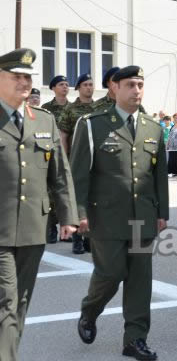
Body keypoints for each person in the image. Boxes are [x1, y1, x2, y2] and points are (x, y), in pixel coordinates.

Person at [71, 65, 168, 360]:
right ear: (115, 88)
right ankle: (90, 311)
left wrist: (162, 211)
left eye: (140, 84)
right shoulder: (93, 124)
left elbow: (159, 174)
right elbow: (79, 174)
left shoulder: (153, 127)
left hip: (143, 217)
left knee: (140, 281)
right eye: (130, 84)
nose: (136, 90)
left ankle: (135, 340)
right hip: (107, 217)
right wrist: (79, 212)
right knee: (111, 273)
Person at [0, 48, 77, 361]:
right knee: (7, 300)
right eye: (16, 76)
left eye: (28, 77)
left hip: (33, 227)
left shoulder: (43, 120)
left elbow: (60, 174)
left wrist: (68, 216)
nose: (24, 82)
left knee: (19, 304)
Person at [59, 72, 95, 255]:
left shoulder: (99, 107)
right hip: (76, 160)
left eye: (91, 84)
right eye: (86, 85)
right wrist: (65, 158)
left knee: (92, 201)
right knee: (77, 200)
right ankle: (77, 240)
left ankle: (89, 238)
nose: (89, 87)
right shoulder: (71, 110)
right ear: (79, 88)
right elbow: (63, 135)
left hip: (95, 161)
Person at [42, 74, 71, 244]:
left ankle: (66, 229)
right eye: (61, 84)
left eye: (67, 84)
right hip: (50, 153)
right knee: (50, 192)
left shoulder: (73, 107)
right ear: (53, 88)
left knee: (66, 191)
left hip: (68, 154)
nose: (65, 87)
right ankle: (51, 228)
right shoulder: (46, 108)